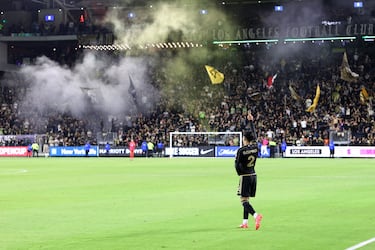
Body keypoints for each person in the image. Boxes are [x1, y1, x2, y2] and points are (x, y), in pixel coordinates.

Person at [235, 111, 263, 230]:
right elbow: (255, 136)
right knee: (247, 199)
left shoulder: (241, 150)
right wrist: (251, 122)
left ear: (245, 139)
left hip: (245, 176)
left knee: (243, 201)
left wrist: (239, 174)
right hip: (253, 175)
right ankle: (245, 222)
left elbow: (237, 165)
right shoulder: (256, 147)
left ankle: (256, 215)